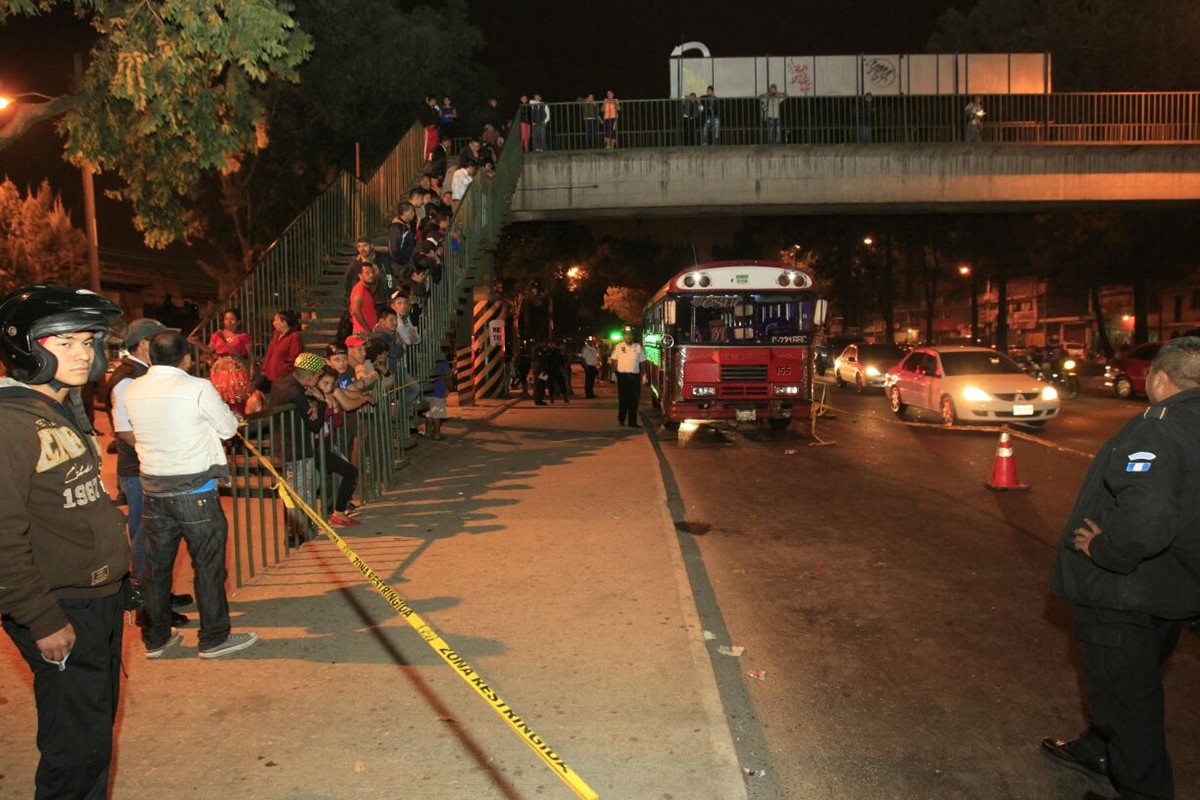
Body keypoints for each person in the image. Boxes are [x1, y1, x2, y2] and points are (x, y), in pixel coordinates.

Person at [1041, 336, 1200, 800]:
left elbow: (1146, 519)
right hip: (1174, 591)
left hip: (1123, 593)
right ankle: (1098, 750)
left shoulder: (1161, 425)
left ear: (1159, 378)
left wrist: (1104, 550)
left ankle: (1142, 790)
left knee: (1128, 705)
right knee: (1131, 680)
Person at [0, 285, 130, 799]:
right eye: (61, 341)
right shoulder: (10, 423)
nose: (80, 353)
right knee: (74, 752)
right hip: (62, 608)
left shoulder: (59, 405)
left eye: (86, 340)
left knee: (94, 740)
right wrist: (41, 616)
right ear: (25, 347)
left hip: (96, 600)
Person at [124, 331, 259, 659]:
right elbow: (228, 428)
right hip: (195, 491)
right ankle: (214, 636)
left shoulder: (135, 389)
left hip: (155, 489)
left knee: (157, 568)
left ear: (152, 356)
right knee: (209, 566)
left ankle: (155, 637)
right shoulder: (197, 388)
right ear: (185, 358)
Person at [106, 317, 191, 628]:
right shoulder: (128, 378)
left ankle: (159, 595)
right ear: (143, 345)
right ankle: (147, 608)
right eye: (157, 339)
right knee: (147, 540)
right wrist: (161, 449)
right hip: (139, 469)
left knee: (160, 538)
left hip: (147, 467)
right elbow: (124, 430)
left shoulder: (142, 373)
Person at [267, 352, 330, 540]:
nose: (318, 381)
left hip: (284, 444)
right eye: (318, 377)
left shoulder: (282, 381)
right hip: (297, 448)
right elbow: (314, 425)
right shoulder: (296, 392)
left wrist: (310, 402)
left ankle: (296, 530)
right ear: (310, 375)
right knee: (302, 492)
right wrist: (319, 401)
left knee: (311, 482)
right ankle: (305, 532)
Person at [192, 308, 254, 414]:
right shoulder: (217, 335)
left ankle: (239, 425)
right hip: (219, 371)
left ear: (238, 321)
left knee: (236, 398)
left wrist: (252, 368)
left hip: (236, 370)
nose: (229, 322)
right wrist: (197, 342)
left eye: (232, 319)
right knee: (219, 398)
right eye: (226, 319)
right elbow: (208, 349)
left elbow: (250, 355)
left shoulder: (244, 336)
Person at [610, 326, 646, 426]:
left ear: (633, 336)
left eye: (630, 335)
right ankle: (621, 419)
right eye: (626, 335)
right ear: (623, 336)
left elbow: (643, 361)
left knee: (634, 400)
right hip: (623, 377)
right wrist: (613, 373)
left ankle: (632, 421)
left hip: (635, 377)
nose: (628, 337)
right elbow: (613, 360)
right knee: (623, 399)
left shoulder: (638, 347)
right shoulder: (618, 346)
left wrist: (645, 374)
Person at [260, 309, 304, 388]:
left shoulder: (294, 337)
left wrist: (283, 371)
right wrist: (265, 368)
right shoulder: (276, 335)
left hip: (283, 377)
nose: (273, 323)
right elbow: (270, 353)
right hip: (271, 375)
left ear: (284, 323)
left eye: (276, 320)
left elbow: (294, 358)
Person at [349, 261, 380, 334]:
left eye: (372, 272)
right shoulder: (359, 290)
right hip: (362, 333)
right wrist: (367, 330)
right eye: (367, 273)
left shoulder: (365, 289)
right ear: (360, 275)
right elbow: (356, 311)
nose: (371, 275)